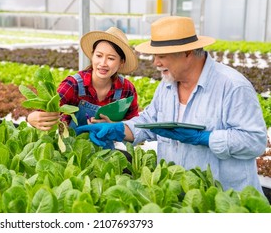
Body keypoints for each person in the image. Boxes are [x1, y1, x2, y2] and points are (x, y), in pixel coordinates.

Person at [76, 16, 268, 193]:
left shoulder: (232, 86)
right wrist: (119, 129)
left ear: (187, 53)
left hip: (226, 200)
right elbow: (149, 121)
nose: (156, 63)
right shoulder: (167, 85)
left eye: (162, 55)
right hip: (180, 198)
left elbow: (255, 141)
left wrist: (205, 138)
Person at [26, 26, 140, 149]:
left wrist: (113, 126)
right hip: (71, 150)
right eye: (99, 56)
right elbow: (48, 112)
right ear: (92, 56)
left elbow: (134, 127)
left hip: (105, 153)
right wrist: (32, 117)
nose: (103, 63)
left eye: (111, 58)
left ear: (121, 62)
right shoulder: (73, 84)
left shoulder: (126, 89)